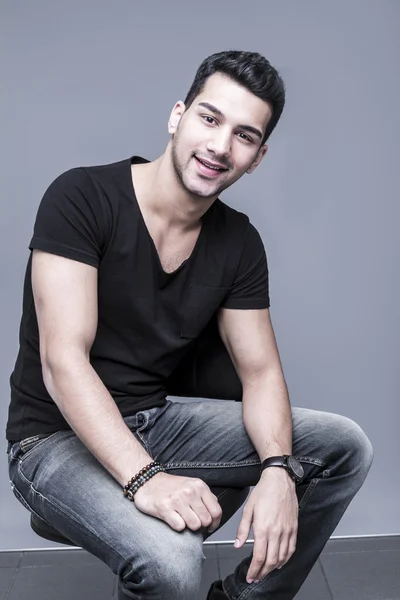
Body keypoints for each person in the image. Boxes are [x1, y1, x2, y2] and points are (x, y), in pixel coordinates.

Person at [6, 50, 373, 600]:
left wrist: (279, 469)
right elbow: (64, 364)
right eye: (210, 118)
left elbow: (262, 373)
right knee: (172, 561)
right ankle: (79, 505)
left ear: (258, 157)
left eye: (244, 136)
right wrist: (145, 479)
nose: (221, 147)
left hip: (155, 421)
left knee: (344, 446)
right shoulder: (80, 197)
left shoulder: (239, 243)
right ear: (177, 116)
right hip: (52, 439)